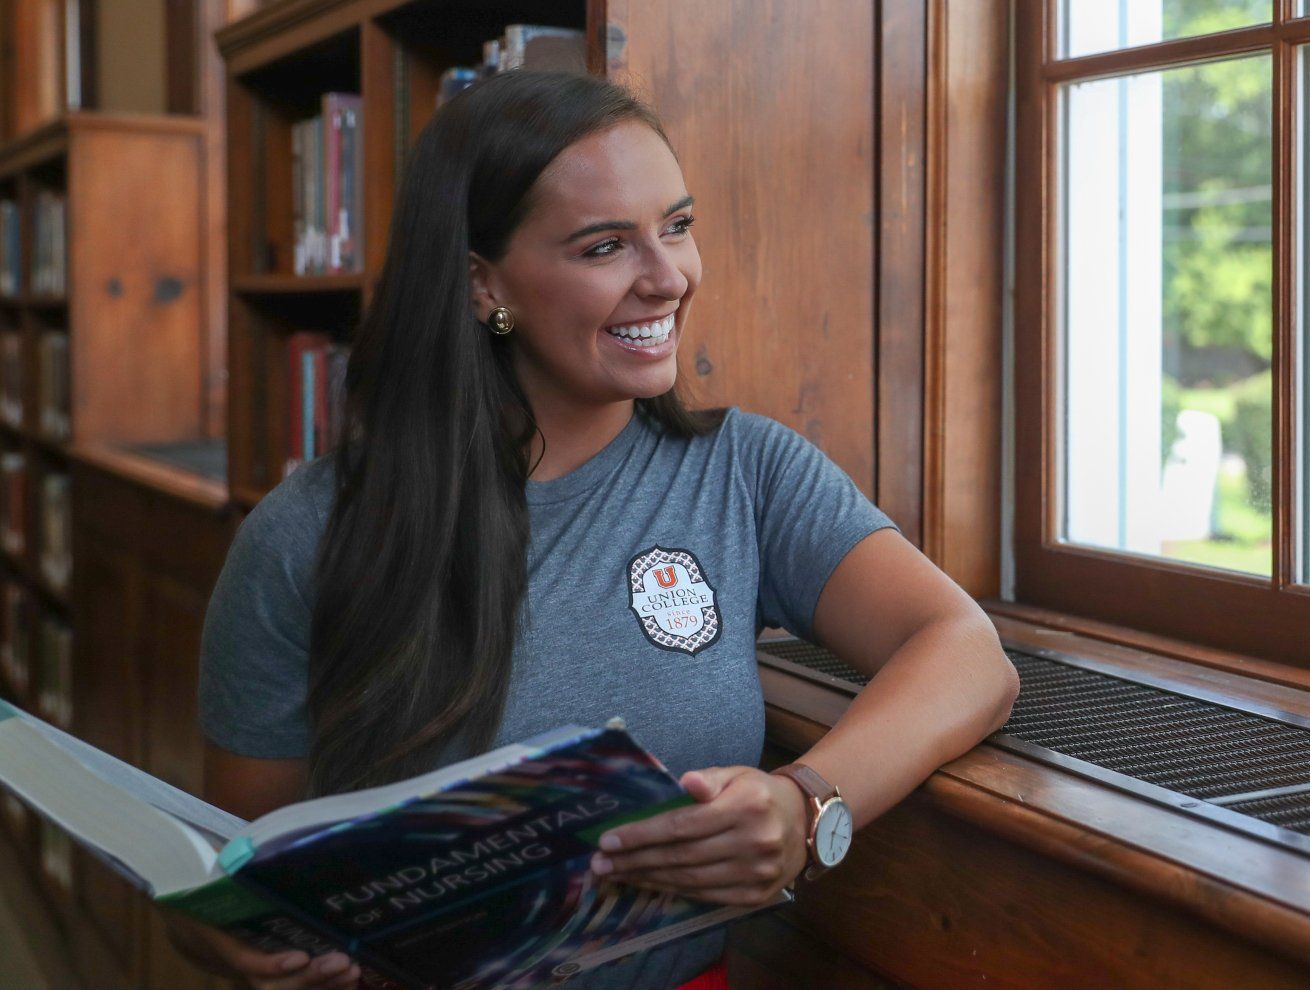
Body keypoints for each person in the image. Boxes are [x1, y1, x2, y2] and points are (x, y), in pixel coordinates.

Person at [165, 70, 1019, 990]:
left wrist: (806, 803)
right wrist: (233, 941)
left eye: (677, 226)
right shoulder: (305, 535)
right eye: (605, 246)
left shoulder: (747, 472)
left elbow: (968, 653)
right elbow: (244, 868)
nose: (669, 277)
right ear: (482, 283)